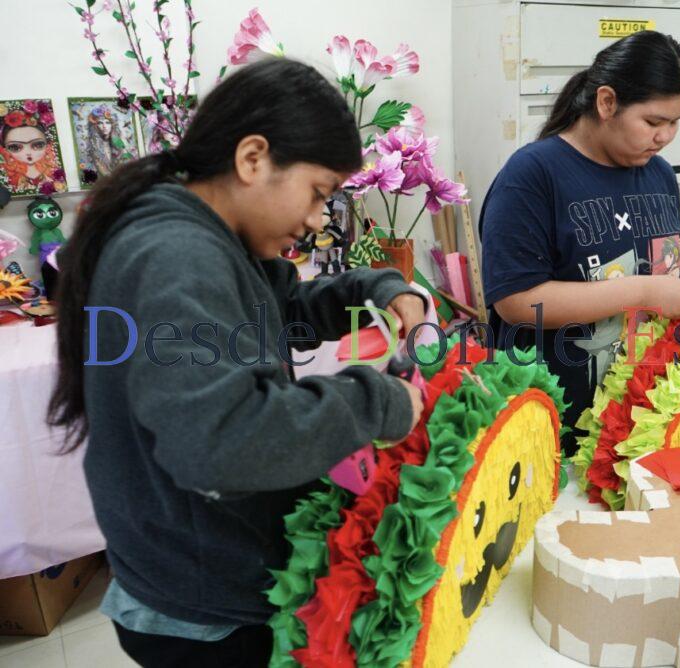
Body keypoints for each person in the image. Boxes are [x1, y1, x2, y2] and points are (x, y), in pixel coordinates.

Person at [48, 58, 426, 667]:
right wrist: (376, 402)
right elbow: (223, 440)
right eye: (318, 194)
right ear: (253, 158)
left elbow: (279, 313)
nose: (317, 221)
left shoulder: (212, 237)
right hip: (202, 607)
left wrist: (375, 289)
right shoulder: (176, 255)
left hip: (202, 565)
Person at [479, 31, 680, 453]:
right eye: (653, 122)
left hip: (635, 419)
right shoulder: (532, 175)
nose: (665, 137)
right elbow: (516, 301)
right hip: (552, 424)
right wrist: (645, 291)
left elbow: (653, 258)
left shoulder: (659, 175)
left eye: (675, 122)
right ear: (606, 103)